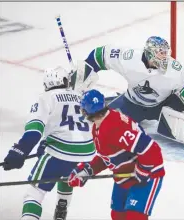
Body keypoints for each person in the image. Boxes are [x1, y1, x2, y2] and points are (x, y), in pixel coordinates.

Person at [70, 36, 184, 155]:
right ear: (149, 53)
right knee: (102, 125)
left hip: (163, 105)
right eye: (160, 53)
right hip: (131, 104)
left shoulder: (174, 70)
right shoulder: (129, 58)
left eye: (165, 53)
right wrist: (85, 69)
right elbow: (99, 55)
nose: (165, 57)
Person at [2, 67, 95, 220]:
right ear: (66, 81)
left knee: (34, 192)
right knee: (67, 174)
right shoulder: (81, 96)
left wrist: (19, 152)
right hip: (87, 154)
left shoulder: (46, 98)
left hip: (61, 151)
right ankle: (61, 210)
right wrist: (46, 142)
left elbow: (34, 131)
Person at [67, 89, 165, 220]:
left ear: (86, 112)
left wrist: (142, 172)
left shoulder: (115, 126)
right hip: (126, 175)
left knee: (134, 217)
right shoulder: (99, 126)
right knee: (118, 216)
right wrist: (87, 170)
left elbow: (152, 149)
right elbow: (108, 156)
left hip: (149, 173)